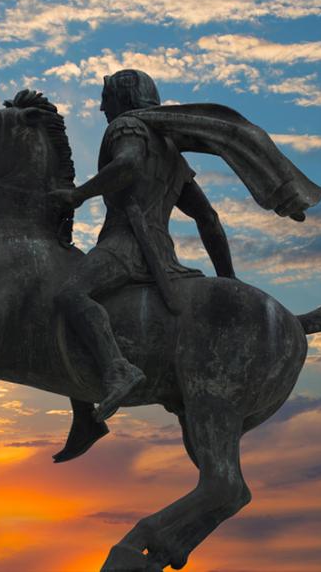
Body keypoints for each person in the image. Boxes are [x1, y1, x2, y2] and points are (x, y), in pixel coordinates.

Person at [49, 69, 235, 462]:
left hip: (126, 246)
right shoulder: (170, 151)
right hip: (163, 258)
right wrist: (228, 279)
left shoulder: (126, 127)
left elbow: (129, 166)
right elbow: (209, 219)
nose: (101, 107)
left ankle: (118, 369)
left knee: (68, 294)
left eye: (106, 97)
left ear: (123, 97)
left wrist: (78, 195)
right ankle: (85, 416)